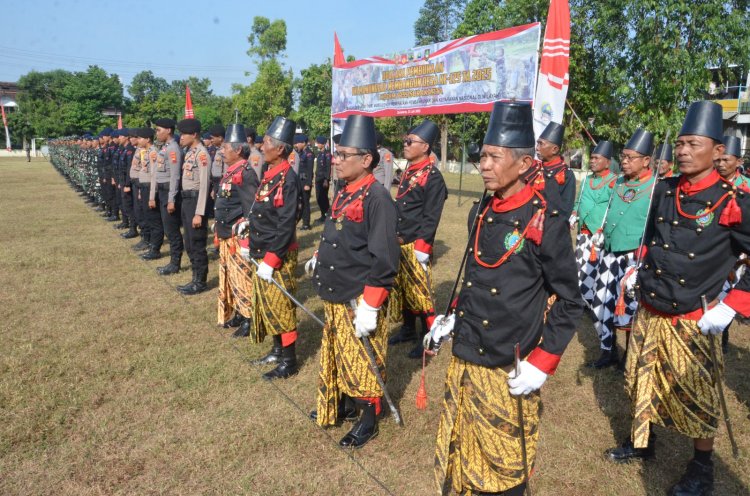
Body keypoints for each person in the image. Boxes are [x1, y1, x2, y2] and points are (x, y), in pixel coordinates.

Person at [428, 101, 583, 496]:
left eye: (494, 157)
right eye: (482, 156)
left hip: (509, 361)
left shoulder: (544, 221)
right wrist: (454, 317)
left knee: (507, 464)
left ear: (524, 163)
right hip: (468, 350)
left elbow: (570, 301)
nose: (484, 165)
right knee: (465, 449)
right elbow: (477, 278)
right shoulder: (480, 210)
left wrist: (542, 362)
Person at [605, 101, 750, 495]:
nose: (683, 150)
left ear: (717, 151)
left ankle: (702, 468)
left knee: (699, 396)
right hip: (651, 305)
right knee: (641, 379)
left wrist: (731, 306)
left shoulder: (732, 199)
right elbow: (653, 236)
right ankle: (642, 441)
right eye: (681, 143)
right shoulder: (666, 189)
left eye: (693, 144)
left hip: (692, 315)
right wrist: (639, 266)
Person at [304, 115, 400, 448]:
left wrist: (370, 306)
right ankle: (344, 404)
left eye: (344, 155)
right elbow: (337, 232)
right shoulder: (345, 191)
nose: (337, 160)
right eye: (337, 153)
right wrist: (319, 256)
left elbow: (385, 259)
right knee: (339, 353)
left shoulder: (378, 198)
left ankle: (368, 419)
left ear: (366, 159)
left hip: (358, 295)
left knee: (362, 360)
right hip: (336, 288)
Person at [589, 129, 656, 369]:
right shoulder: (618, 182)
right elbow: (609, 210)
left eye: (630, 157)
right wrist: (601, 230)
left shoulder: (656, 186)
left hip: (634, 256)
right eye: (623, 156)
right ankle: (607, 351)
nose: (624, 161)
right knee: (601, 302)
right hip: (608, 251)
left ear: (646, 160)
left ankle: (629, 355)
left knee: (630, 307)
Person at [242, 116, 301, 380]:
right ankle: (277, 351)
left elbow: (287, 224)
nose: (261, 146)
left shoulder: (288, 178)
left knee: (281, 307)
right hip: (261, 248)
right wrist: (247, 227)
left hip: (277, 252)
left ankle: (289, 361)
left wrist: (272, 258)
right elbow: (262, 209)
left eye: (266, 142)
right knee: (268, 305)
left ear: (279, 149)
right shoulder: (270, 173)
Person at [388, 119, 448, 358]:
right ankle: (408, 330)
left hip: (416, 243)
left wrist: (424, 245)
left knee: (420, 292)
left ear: (425, 147)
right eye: (405, 140)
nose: (405, 144)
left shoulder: (433, 177)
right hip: (400, 240)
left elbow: (432, 216)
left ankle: (429, 338)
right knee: (404, 289)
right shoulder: (410, 170)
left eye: (410, 141)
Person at [214, 123, 261, 335]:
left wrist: (246, 241)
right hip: (226, 234)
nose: (222, 151)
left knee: (243, 278)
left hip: (237, 238)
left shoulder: (246, 173)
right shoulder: (231, 171)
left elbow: (251, 210)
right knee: (231, 277)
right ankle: (239, 313)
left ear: (238, 150)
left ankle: (249, 318)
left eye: (225, 148)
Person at [571, 140, 617, 309]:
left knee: (594, 267)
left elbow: (613, 208)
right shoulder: (586, 180)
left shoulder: (615, 182)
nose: (592, 161)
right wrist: (574, 213)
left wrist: (603, 228)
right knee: (579, 264)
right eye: (592, 158)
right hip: (583, 229)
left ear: (608, 162)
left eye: (597, 158)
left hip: (598, 233)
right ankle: (578, 296)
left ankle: (591, 300)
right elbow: (578, 201)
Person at [714, 134, 749, 353]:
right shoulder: (711, 184)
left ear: (738, 161)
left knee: (731, 291)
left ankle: (724, 334)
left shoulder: (747, 186)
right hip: (716, 247)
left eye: (726, 159)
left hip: (741, 251)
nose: (721, 164)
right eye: (718, 159)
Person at [174, 118, 211, 295]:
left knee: (197, 242)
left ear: (194, 134)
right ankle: (194, 278)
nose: (181, 137)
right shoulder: (190, 152)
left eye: (184, 134)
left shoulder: (202, 154)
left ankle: (200, 282)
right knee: (189, 242)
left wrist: (199, 213)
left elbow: (204, 185)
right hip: (187, 201)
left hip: (196, 202)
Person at [149, 118, 184, 273]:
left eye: (159, 130)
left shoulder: (173, 149)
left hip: (169, 192)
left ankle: (175, 264)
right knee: (168, 228)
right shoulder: (165, 147)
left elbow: (175, 176)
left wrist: (171, 199)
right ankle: (173, 262)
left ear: (168, 130)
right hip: (163, 191)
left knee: (172, 230)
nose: (156, 133)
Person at [527, 121, 576, 218]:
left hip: (550, 223)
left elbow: (565, 211)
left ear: (555, 149)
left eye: (541, 144)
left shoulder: (566, 174)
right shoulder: (533, 168)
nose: (537, 148)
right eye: (537, 144)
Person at [295, 133, 315, 230]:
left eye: (298, 143)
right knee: (300, 202)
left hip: (305, 182)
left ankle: (306, 224)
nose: (296, 145)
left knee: (305, 203)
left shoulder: (309, 154)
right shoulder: (301, 153)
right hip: (300, 181)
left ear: (303, 143)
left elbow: (310, 170)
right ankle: (302, 221)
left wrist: (308, 184)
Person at [313, 136, 331, 223]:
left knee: (323, 198)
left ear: (323, 144)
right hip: (318, 179)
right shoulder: (320, 153)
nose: (317, 144)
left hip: (323, 180)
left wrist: (326, 180)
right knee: (319, 198)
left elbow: (328, 168)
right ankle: (323, 215)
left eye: (319, 143)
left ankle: (326, 215)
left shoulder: (327, 154)